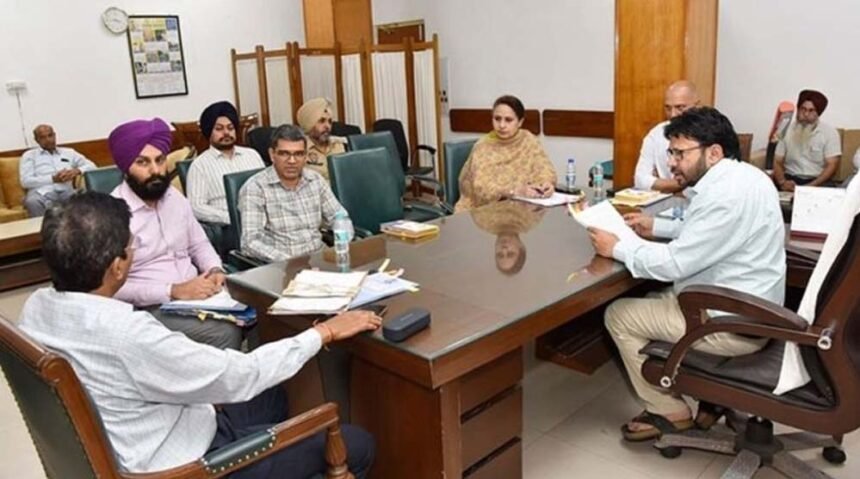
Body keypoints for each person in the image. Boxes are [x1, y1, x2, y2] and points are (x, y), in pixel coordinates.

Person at [18, 191, 378, 477]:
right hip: (186, 466)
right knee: (357, 444)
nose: (134, 251)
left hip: (142, 435)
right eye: (132, 246)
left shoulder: (35, 307)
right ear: (117, 267)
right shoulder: (128, 335)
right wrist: (324, 332)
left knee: (271, 397)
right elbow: (243, 374)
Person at [588, 107, 785, 441]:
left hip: (730, 323)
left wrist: (617, 248)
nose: (672, 163)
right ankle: (710, 393)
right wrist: (656, 226)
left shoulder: (723, 196)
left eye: (680, 153)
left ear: (714, 152)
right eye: (671, 153)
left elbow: (674, 264)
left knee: (619, 314)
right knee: (652, 296)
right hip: (752, 308)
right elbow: (710, 231)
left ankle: (669, 410)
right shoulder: (747, 178)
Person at [108, 118, 241, 349]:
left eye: (160, 160)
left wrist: (214, 269)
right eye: (142, 162)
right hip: (149, 306)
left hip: (198, 291)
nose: (155, 170)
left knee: (260, 308)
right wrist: (173, 291)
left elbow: (199, 244)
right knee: (225, 332)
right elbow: (111, 286)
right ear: (125, 168)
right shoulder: (112, 213)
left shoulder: (175, 197)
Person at [240, 124, 346, 262]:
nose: (292, 161)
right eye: (284, 154)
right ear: (272, 155)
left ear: (306, 156)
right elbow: (250, 242)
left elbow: (339, 217)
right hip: (281, 265)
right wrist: (288, 261)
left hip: (320, 259)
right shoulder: (255, 188)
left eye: (298, 154)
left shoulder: (315, 180)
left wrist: (344, 240)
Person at [455, 95, 556, 212]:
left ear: (520, 122)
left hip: (523, 208)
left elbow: (545, 169)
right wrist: (514, 191)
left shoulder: (528, 140)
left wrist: (546, 184)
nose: (502, 125)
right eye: (497, 119)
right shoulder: (483, 147)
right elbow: (481, 189)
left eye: (508, 120)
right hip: (483, 210)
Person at [186, 101, 265, 228]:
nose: (226, 133)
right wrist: (232, 217)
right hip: (229, 227)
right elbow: (196, 207)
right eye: (219, 129)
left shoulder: (252, 155)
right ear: (209, 132)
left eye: (230, 128)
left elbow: (267, 189)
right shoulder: (200, 165)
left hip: (262, 220)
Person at [633, 81, 700, 193]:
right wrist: (683, 183)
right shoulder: (657, 133)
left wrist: (659, 183)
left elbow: (707, 182)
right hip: (666, 200)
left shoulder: (709, 132)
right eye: (668, 108)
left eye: (680, 107)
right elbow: (640, 180)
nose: (673, 114)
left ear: (696, 106)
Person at [18, 124, 95, 216]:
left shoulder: (69, 152)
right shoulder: (29, 155)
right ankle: (42, 225)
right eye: (43, 137)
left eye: (50, 135)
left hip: (66, 191)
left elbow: (92, 166)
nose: (48, 140)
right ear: (37, 140)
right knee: (32, 202)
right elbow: (25, 181)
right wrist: (53, 179)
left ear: (54, 135)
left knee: (87, 197)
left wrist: (76, 171)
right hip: (41, 193)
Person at [773, 89, 841, 191]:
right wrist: (782, 182)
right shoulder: (786, 130)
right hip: (790, 179)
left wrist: (810, 186)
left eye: (811, 110)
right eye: (803, 109)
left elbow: (832, 165)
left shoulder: (830, 132)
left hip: (818, 181)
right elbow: (777, 161)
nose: (805, 114)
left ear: (818, 113)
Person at [470, 201, 545, 275]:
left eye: (499, 254)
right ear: (521, 247)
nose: (504, 249)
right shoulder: (532, 218)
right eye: (510, 253)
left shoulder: (482, 221)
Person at [297, 97, 347, 180]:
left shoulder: (339, 145)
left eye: (330, 121)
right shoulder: (300, 149)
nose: (327, 126)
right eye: (321, 121)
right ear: (309, 124)